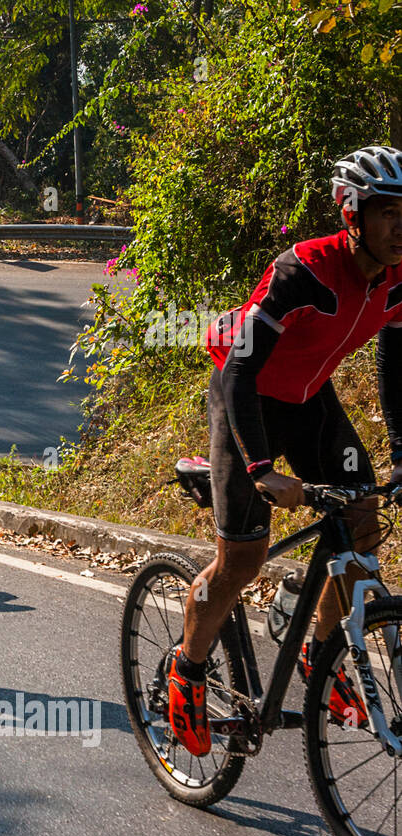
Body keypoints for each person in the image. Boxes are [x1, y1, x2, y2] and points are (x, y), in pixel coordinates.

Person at [172, 145, 402, 756]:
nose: (400, 227)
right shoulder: (304, 271)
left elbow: (397, 361)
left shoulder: (400, 275)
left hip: (307, 397)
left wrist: (401, 454)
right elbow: (242, 371)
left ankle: (317, 653)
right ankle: (186, 671)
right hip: (245, 393)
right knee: (242, 562)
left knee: (361, 522)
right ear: (352, 214)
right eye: (386, 212)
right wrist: (261, 469)